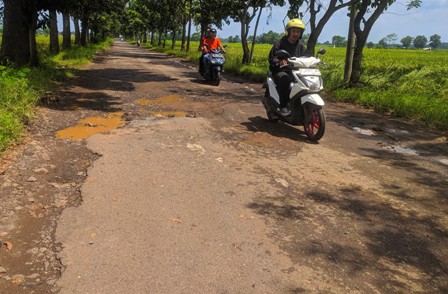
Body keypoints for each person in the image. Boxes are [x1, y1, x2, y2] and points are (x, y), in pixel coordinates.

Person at [268, 18, 307, 115]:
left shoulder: (301, 46)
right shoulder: (279, 43)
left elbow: (306, 58)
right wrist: (280, 62)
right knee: (285, 78)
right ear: (288, 31)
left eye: (298, 32)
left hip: (296, 72)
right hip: (280, 71)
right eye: (294, 31)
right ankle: (283, 105)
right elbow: (272, 58)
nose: (296, 34)